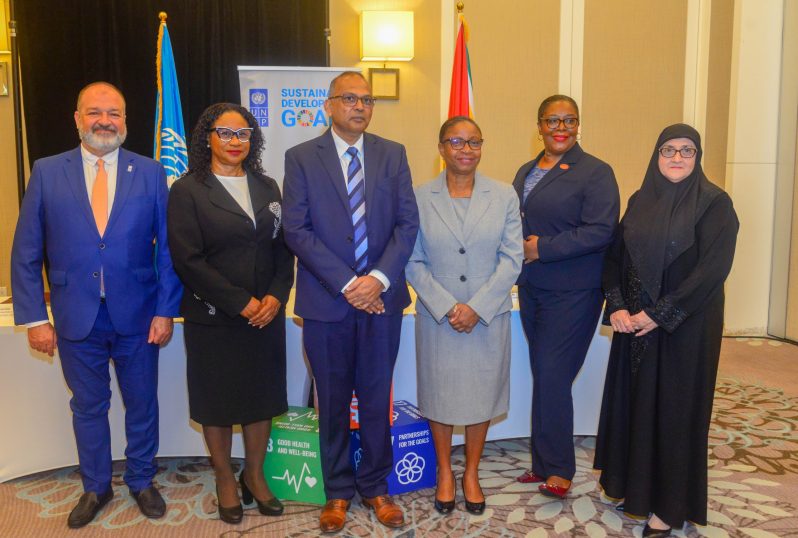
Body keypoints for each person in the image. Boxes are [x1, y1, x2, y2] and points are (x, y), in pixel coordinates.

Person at [10, 82, 182, 528]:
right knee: (87, 406)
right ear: (77, 118)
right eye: (94, 112)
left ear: (126, 120)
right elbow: (27, 251)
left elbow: (168, 249)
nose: (105, 121)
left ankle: (142, 480)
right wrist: (34, 318)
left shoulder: (150, 173)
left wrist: (165, 310)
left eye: (115, 113)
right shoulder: (47, 171)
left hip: (139, 314)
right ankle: (96, 485)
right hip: (74, 316)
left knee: (142, 403)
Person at [282, 71, 419, 533]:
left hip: (383, 301)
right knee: (333, 403)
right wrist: (349, 284)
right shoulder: (301, 157)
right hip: (327, 304)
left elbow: (406, 225)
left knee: (377, 399)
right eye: (349, 99)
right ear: (329, 105)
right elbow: (297, 231)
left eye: (366, 99)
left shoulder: (392, 154)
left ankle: (376, 488)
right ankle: (337, 492)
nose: (359, 106)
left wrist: (377, 280)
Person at [593, 124, 738, 537]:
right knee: (636, 407)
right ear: (656, 156)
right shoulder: (640, 200)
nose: (677, 158)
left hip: (684, 330)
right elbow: (614, 259)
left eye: (687, 151)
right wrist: (619, 307)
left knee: (675, 415)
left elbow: (712, 271)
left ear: (698, 158)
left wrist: (658, 314)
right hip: (634, 329)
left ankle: (669, 510)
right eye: (668, 150)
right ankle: (631, 489)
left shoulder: (715, 204)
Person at [167, 103, 294, 524]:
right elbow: (188, 260)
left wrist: (277, 296)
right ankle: (224, 477)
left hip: (266, 317)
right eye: (226, 133)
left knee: (262, 398)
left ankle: (254, 476)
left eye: (243, 134)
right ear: (208, 138)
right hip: (215, 318)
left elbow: (282, 250)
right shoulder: (188, 190)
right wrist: (240, 302)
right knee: (217, 402)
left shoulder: (267, 185)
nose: (235, 141)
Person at [406, 116, 523, 515]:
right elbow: (411, 259)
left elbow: (512, 258)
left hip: (487, 315)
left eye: (473, 142)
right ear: (441, 149)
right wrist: (446, 305)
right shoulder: (419, 197)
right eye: (456, 141)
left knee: (480, 394)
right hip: (438, 315)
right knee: (440, 395)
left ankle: (470, 471)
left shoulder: (504, 195)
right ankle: (443, 470)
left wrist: (477, 307)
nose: (465, 149)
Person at [513, 94, 620, 498]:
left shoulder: (595, 172)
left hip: (574, 291)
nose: (561, 128)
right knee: (545, 374)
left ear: (578, 126)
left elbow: (601, 231)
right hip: (534, 289)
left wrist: (544, 247)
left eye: (569, 120)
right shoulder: (526, 170)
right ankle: (542, 462)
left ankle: (559, 468)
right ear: (538, 126)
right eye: (552, 120)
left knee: (554, 374)